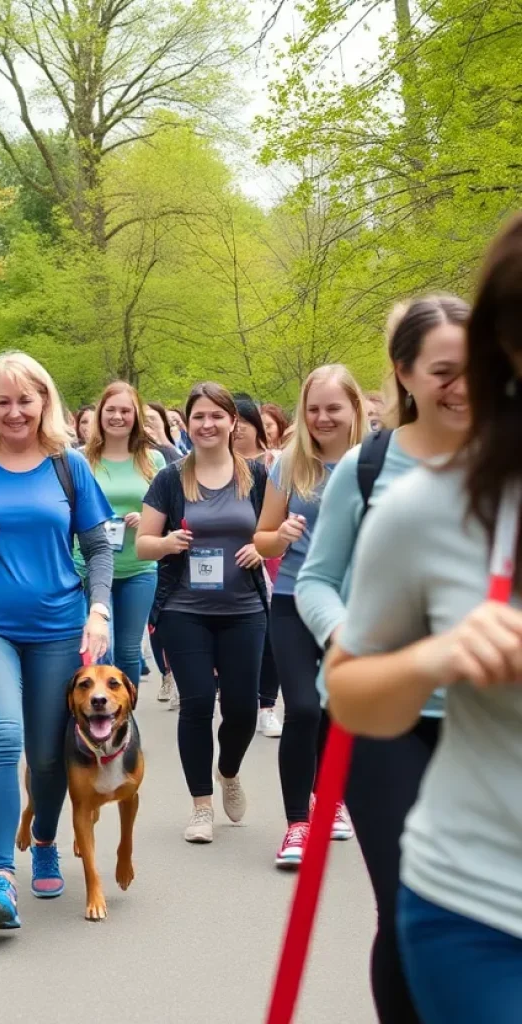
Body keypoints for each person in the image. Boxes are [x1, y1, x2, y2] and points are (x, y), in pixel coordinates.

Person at [326, 219, 522, 1024]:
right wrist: (433, 657)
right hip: (483, 909)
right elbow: (346, 677)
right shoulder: (417, 498)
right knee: (389, 905)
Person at [295, 295, 470, 1024]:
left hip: (488, 726)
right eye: (444, 371)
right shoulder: (368, 467)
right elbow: (315, 580)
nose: (464, 385)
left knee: (476, 910)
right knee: (407, 902)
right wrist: (346, 640)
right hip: (380, 718)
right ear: (404, 374)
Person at [0, 351, 113, 929]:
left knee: (48, 752)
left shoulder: (69, 466)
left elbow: (102, 547)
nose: (14, 412)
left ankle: (48, 839)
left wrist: (99, 610)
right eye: (2, 401)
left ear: (44, 402)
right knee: (3, 738)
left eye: (24, 400)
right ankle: (1, 875)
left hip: (59, 623)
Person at [137, 382, 268, 844]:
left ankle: (228, 771)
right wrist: (168, 543)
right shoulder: (171, 478)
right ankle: (200, 806)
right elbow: (144, 543)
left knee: (241, 709)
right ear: (187, 424)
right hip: (184, 609)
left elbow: (273, 535)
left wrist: (258, 547)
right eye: (199, 417)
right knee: (195, 704)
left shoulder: (256, 476)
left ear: (234, 422)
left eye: (217, 416)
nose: (207, 424)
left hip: (243, 608)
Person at [253, 365, 368, 868]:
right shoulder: (288, 465)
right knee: (302, 707)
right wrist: (279, 539)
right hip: (294, 599)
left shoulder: (378, 462)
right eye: (314, 409)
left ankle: (332, 797)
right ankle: (298, 822)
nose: (322, 418)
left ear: (353, 410)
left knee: (336, 708)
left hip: (356, 607)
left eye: (332, 408)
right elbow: (261, 537)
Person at [79, 381, 166, 687]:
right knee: (102, 647)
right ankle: (96, 720)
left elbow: (165, 512)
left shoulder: (152, 460)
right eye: (111, 410)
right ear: (100, 414)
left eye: (125, 410)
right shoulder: (81, 460)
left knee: (129, 651)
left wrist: (145, 519)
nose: (118, 416)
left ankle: (122, 719)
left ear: (136, 416)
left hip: (138, 568)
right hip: (89, 566)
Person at [232, 395, 282, 734]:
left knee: (270, 635)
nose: (236, 431)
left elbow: (285, 516)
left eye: (244, 424)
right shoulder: (212, 464)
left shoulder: (273, 464)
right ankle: (238, 697)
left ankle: (267, 704)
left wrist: (261, 548)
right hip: (225, 562)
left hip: (269, 559)